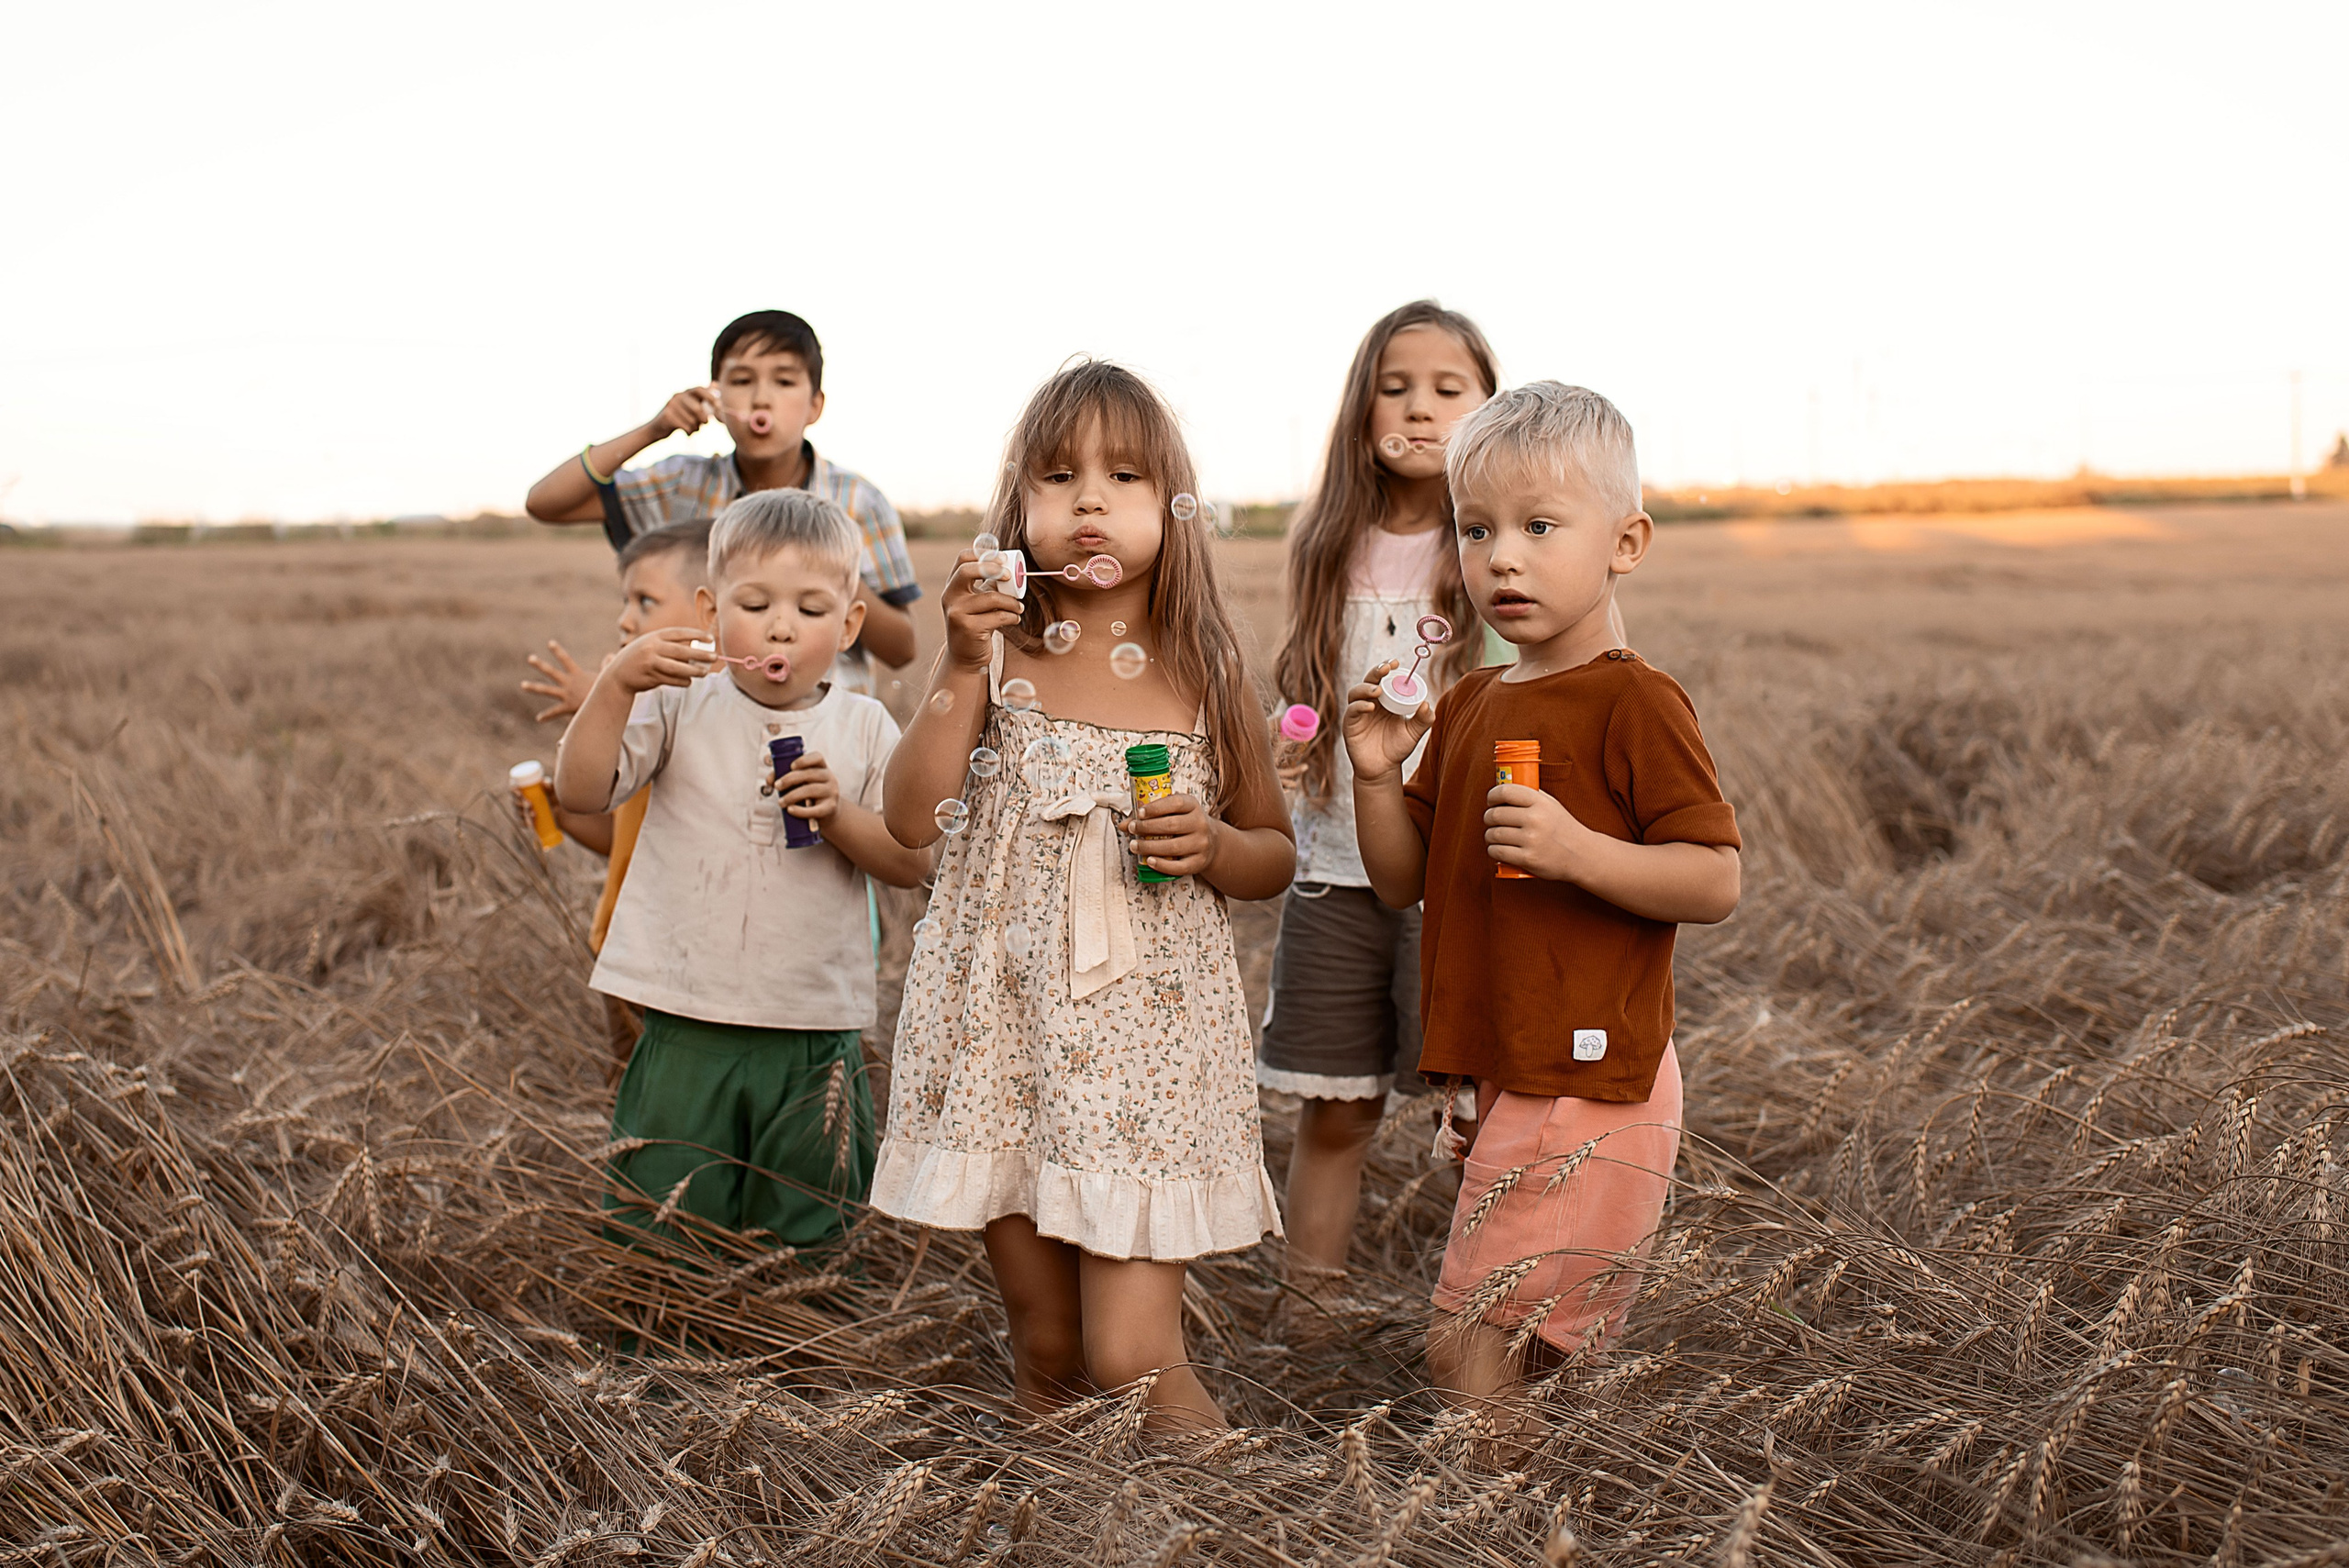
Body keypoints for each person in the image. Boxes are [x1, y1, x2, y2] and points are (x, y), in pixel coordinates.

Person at [871, 361, 1293, 1432]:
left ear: (1172, 507)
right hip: (1005, 1047)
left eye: (1125, 477)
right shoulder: (1000, 658)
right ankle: (1063, 1525)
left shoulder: (1203, 670)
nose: (1089, 501)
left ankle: (1248, 1533)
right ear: (1018, 511)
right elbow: (911, 819)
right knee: (1050, 1350)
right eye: (1057, 478)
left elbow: (1272, 854)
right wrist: (958, 666)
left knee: (1131, 1355)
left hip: (1144, 1056)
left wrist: (1209, 844)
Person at [1341, 382, 1741, 1412]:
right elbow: (1400, 879)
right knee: (1532, 1355)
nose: (1501, 556)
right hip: (1503, 1069)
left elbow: (1712, 876)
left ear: (1626, 540)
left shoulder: (1632, 699)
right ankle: (1548, 1513)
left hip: (1588, 1076)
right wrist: (1378, 774)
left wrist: (1576, 849)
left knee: (1470, 1344)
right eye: (1476, 529)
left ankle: (1499, 1523)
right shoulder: (1474, 699)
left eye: (1538, 526)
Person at [554, 491, 930, 1251]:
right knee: (660, 1225)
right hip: (681, 1014)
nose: (782, 625)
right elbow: (580, 790)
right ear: (708, 610)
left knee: (808, 1225)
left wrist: (840, 817)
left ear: (852, 623)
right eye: (754, 603)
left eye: (813, 608)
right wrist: (616, 683)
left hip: (812, 1030)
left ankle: (802, 1357)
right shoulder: (677, 703)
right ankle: (661, 1360)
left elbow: (909, 860)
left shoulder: (864, 727)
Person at [1260, 301, 1501, 1313]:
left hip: (1454, 872)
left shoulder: (1488, 543)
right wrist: (1292, 729)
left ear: (1492, 410)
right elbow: (1307, 689)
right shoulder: (1329, 541)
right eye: (1395, 388)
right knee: (1336, 1109)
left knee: (1479, 1114)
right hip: (1332, 866)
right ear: (1360, 409)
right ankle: (1312, 1313)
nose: (1418, 407)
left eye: (1449, 391)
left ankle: (1488, 1318)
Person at [521, 308, 921, 695]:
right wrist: (654, 429)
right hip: (699, 733)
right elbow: (546, 503)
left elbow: (902, 650)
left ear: (815, 405)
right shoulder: (682, 484)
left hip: (824, 736)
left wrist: (828, 568)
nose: (761, 399)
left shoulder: (858, 502)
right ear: (715, 396)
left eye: (783, 382)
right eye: (742, 380)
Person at [516, 518, 715, 1077]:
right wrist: (561, 812)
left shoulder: (699, 713)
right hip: (621, 949)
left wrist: (611, 698)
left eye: (645, 601)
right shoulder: (638, 705)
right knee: (628, 1097)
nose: (625, 619)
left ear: (711, 610)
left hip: (681, 963)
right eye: (626, 600)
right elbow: (626, 837)